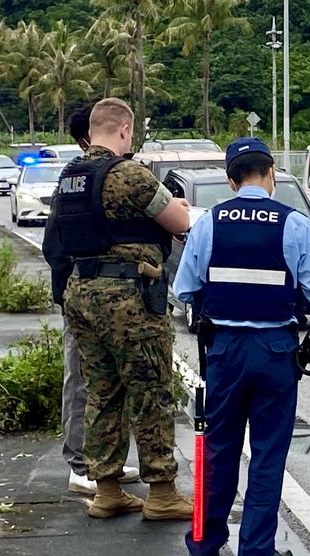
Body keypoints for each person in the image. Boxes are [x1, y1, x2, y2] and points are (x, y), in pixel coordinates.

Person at [174, 137, 310, 556]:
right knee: (267, 455)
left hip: (224, 349)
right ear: (272, 175)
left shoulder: (209, 223)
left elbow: (183, 288)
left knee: (219, 449)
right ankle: (256, 553)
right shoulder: (294, 223)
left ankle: (204, 545)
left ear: (230, 180)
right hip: (276, 351)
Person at [53, 97, 193, 520]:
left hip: (81, 291)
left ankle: (107, 488)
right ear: (125, 130)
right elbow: (179, 221)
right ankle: (163, 492)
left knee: (101, 390)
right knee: (150, 389)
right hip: (126, 296)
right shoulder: (128, 173)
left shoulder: (70, 176)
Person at [43, 104, 140, 495]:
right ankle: (81, 465)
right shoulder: (76, 182)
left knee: (110, 382)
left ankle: (106, 463)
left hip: (96, 296)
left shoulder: (89, 178)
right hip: (81, 297)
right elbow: (55, 246)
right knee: (83, 382)